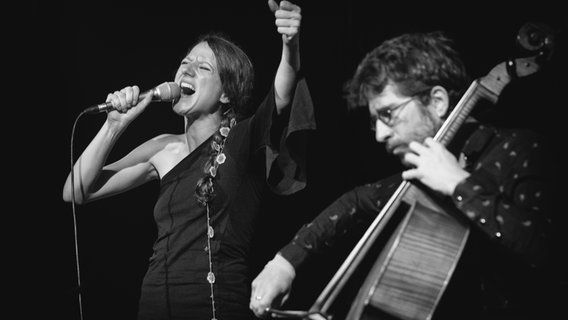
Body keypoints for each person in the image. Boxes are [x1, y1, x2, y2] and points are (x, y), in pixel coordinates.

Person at [250, 31, 562, 319]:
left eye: (388, 114)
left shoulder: (519, 148)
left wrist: (459, 185)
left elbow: (550, 255)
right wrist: (284, 262)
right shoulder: (422, 175)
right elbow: (356, 201)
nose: (380, 135)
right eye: (376, 121)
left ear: (437, 101)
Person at [62, 1, 315, 319]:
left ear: (226, 94)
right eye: (184, 63)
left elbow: (283, 93)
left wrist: (290, 45)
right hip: (155, 306)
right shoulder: (162, 148)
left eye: (203, 67)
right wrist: (114, 125)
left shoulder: (243, 138)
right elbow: (76, 190)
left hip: (214, 307)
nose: (187, 70)